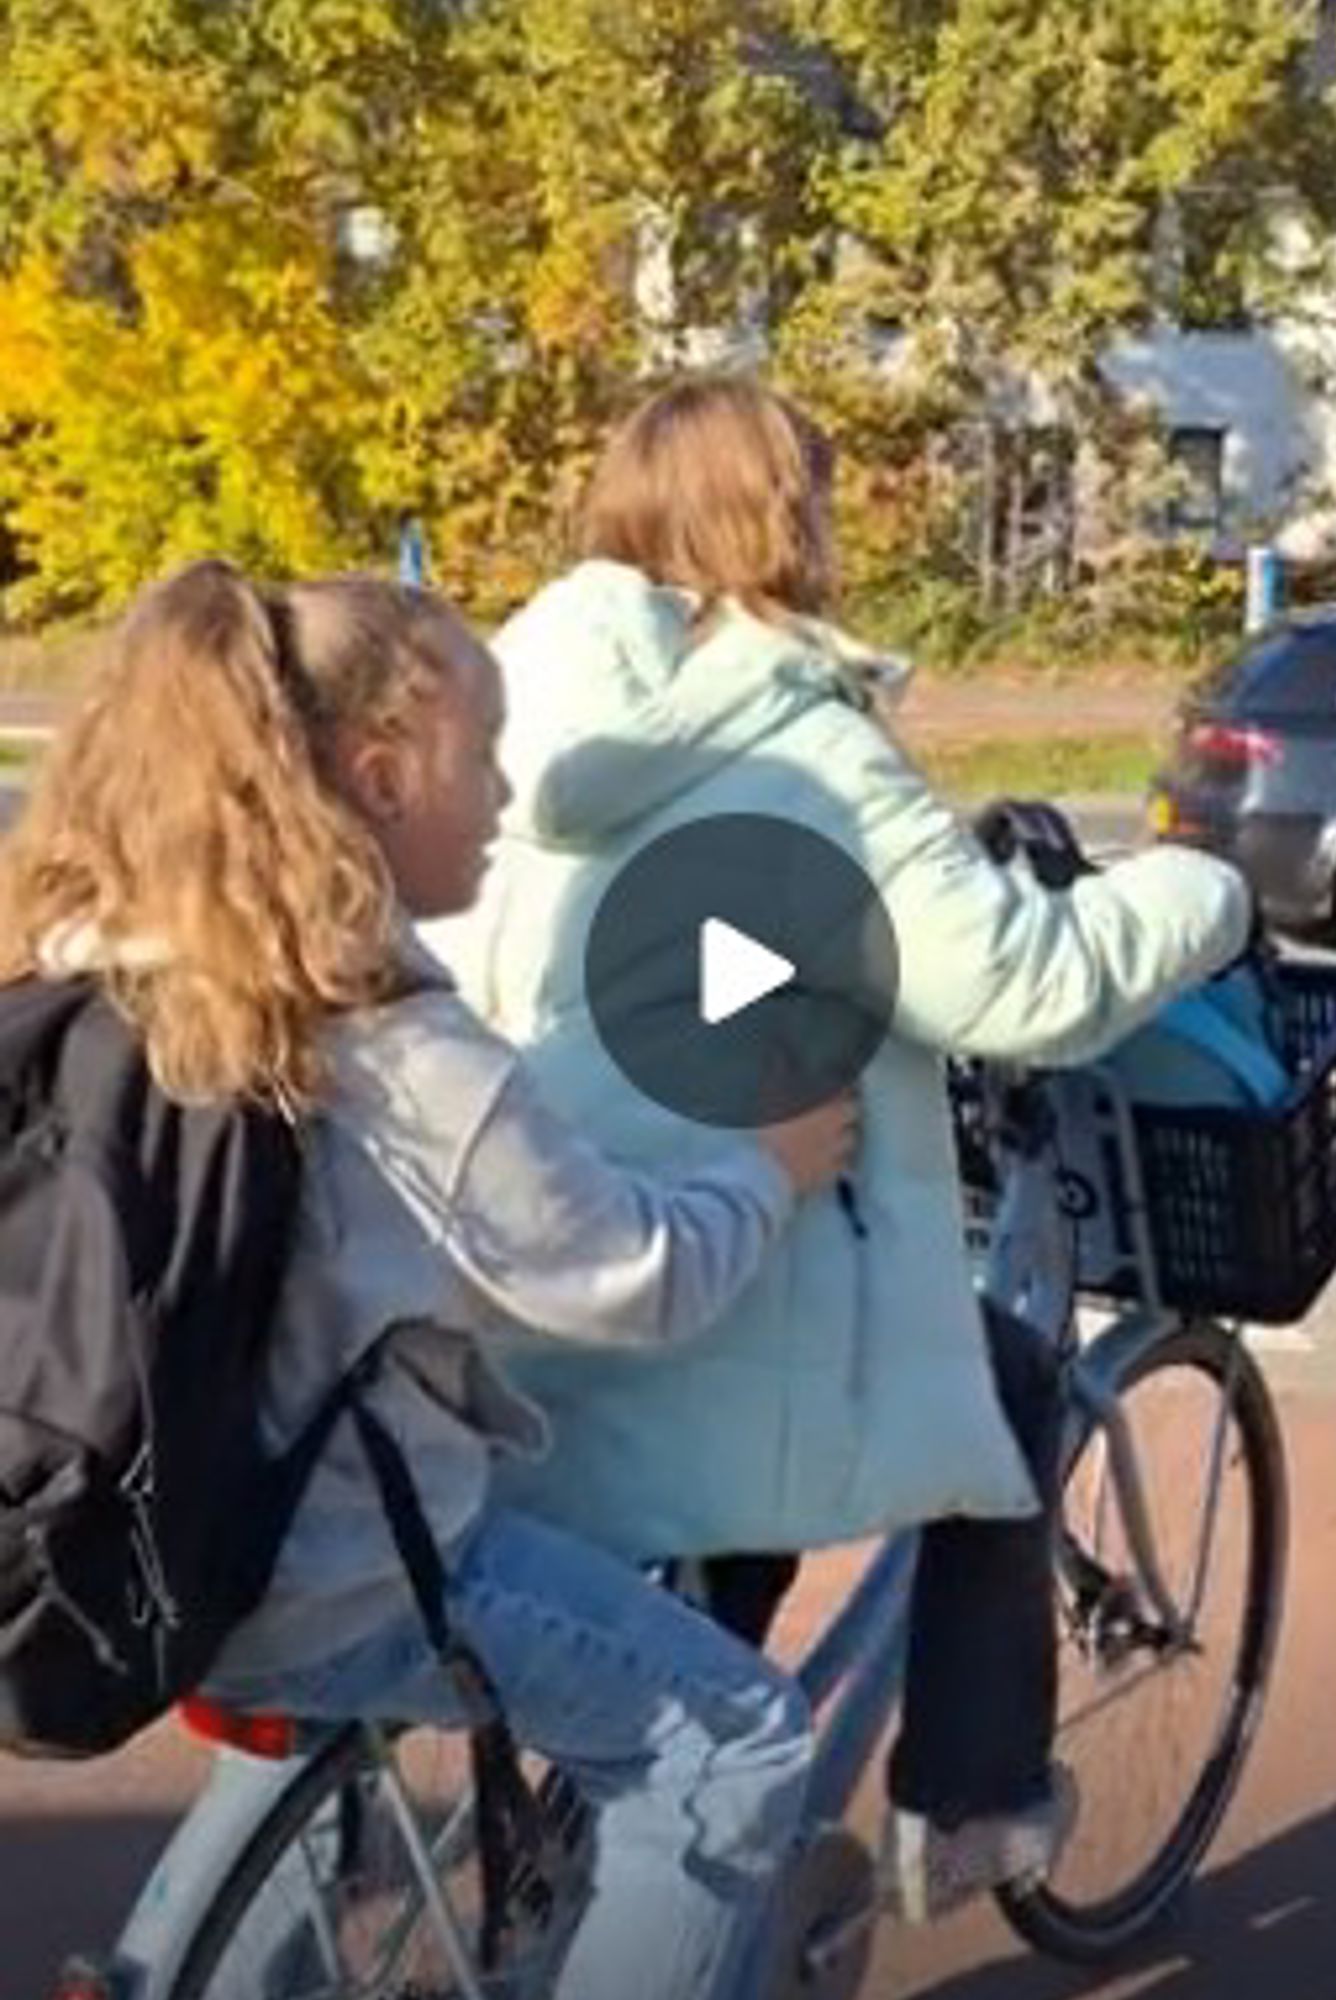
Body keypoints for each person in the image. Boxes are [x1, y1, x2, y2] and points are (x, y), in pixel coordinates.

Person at [426, 374, 1257, 1925]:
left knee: (706, 1505)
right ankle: (977, 1809)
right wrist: (1197, 893)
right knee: (1005, 1384)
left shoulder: (503, 709)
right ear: (781, 518)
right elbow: (1017, 982)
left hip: (518, 1264)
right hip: (720, 1258)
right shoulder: (797, 745)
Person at [0, 558, 863, 2000]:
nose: (511, 795)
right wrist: (769, 1167)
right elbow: (629, 1279)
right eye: (488, 755)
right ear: (386, 775)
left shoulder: (99, 949)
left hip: (125, 1545)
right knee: (733, 1735)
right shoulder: (386, 1038)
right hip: (331, 1577)